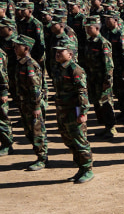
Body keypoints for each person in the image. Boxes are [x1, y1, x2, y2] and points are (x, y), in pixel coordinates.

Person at [51, 44, 94, 183]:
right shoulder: (58, 68)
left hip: (74, 111)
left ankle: (88, 169)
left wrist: (83, 112)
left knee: (80, 140)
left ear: (70, 55)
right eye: (56, 52)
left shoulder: (75, 70)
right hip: (63, 110)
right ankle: (80, 168)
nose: (57, 54)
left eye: (60, 52)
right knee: (69, 141)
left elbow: (82, 92)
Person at [12, 35, 48, 170]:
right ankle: (39, 156)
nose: (15, 48)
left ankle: (42, 158)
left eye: (17, 46)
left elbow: (36, 88)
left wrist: (37, 106)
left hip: (33, 104)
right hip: (26, 104)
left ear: (26, 48)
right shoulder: (21, 63)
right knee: (29, 132)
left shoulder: (30, 65)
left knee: (37, 131)